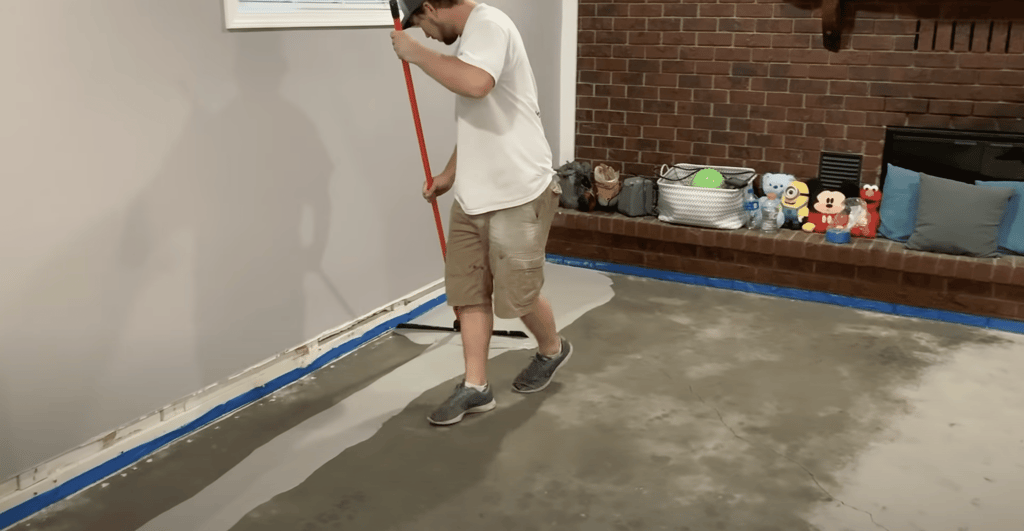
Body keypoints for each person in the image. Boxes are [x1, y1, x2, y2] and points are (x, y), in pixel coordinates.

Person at [391, 0, 572, 426]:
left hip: (520, 191)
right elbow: (478, 118)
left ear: (433, 6)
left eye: (420, 23)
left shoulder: (490, 25)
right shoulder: (471, 38)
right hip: (474, 195)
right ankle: (476, 387)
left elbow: (475, 86)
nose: (423, 34)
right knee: (467, 291)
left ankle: (552, 349)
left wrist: (416, 55)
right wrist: (449, 175)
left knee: (517, 296)